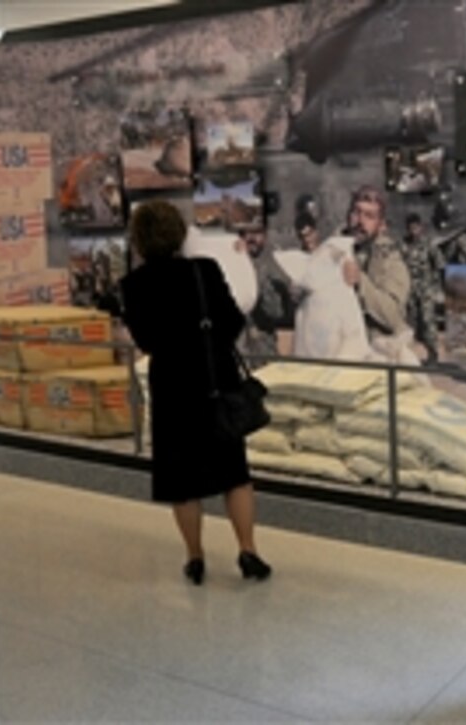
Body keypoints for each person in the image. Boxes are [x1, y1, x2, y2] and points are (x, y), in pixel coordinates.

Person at [120, 201, 271, 587]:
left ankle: (195, 557)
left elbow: (146, 341)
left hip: (172, 388)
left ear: (138, 240)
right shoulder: (204, 271)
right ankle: (248, 549)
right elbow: (233, 320)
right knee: (234, 473)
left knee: (181, 481)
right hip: (215, 381)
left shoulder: (134, 286)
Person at [343, 185, 412, 339]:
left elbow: (394, 317)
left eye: (369, 216)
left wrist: (360, 282)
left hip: (376, 347)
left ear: (381, 225)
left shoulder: (390, 260)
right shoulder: (333, 251)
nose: (360, 221)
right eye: (356, 212)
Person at [239, 223, 294, 356]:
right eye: (248, 233)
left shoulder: (272, 266)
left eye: (257, 233)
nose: (252, 238)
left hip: (261, 346)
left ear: (265, 236)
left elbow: (278, 311)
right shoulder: (233, 258)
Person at [401, 213, 445, 362]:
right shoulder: (403, 245)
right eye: (410, 227)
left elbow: (440, 265)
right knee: (410, 323)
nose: (413, 230)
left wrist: (437, 286)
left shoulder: (428, 245)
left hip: (426, 290)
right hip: (409, 290)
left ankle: (433, 354)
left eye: (416, 226)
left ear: (420, 227)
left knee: (428, 322)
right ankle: (410, 356)